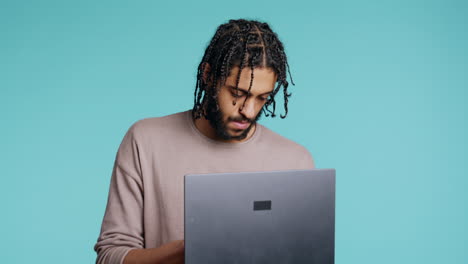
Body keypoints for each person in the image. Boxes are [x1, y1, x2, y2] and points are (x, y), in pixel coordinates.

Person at [94, 18, 315, 264]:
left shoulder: (295, 160)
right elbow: (110, 256)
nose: (249, 111)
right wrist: (188, 251)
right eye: (237, 94)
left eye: (262, 98)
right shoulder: (145, 141)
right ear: (209, 75)